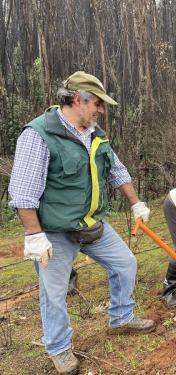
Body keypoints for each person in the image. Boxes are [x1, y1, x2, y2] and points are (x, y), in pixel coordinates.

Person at [8, 71, 155, 374]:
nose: (101, 110)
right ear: (78, 100)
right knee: (55, 291)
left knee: (125, 264)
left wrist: (136, 202)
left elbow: (118, 171)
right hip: (55, 231)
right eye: (98, 104)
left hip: (92, 225)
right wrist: (34, 235)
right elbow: (23, 193)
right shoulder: (38, 135)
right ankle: (59, 349)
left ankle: (121, 319)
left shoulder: (95, 135)